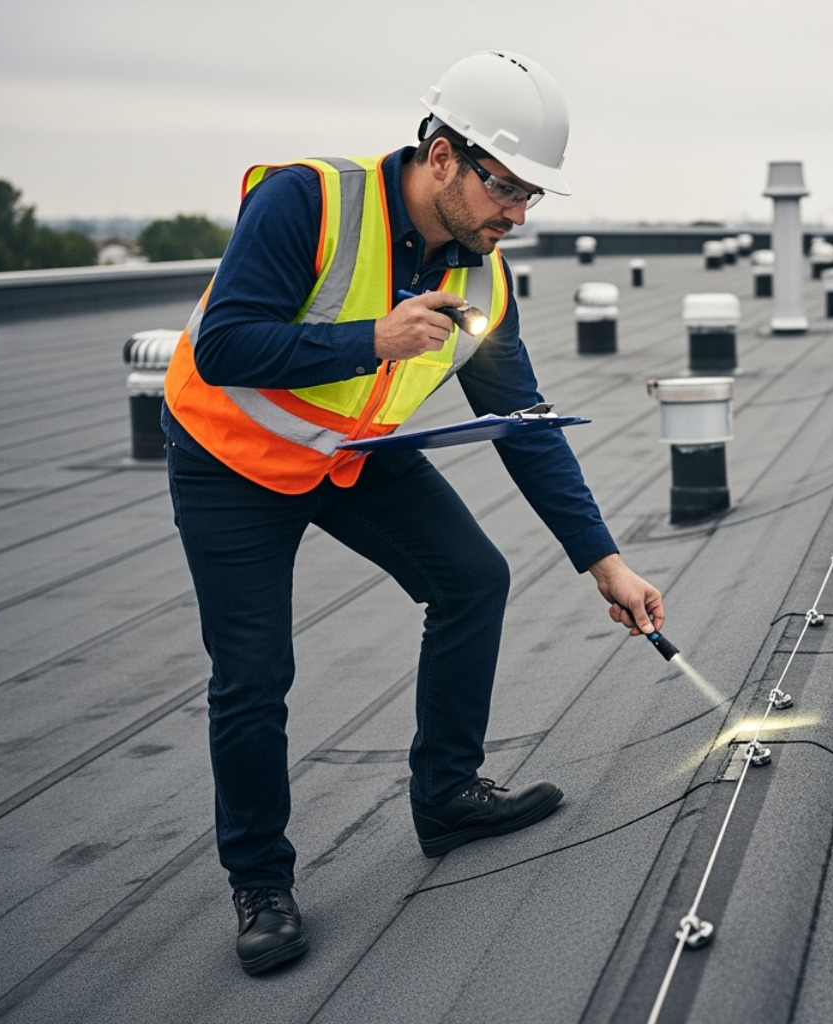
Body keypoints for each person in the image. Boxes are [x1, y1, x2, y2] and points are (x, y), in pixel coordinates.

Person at [161, 51, 663, 976]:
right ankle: (261, 883)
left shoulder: (482, 276)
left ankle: (446, 796)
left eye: (531, 197)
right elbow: (226, 342)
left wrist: (607, 564)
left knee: (472, 579)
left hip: (342, 458)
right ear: (442, 156)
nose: (517, 214)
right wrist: (371, 339)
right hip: (227, 460)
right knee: (253, 672)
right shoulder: (306, 200)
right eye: (507, 188)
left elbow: (524, 425)